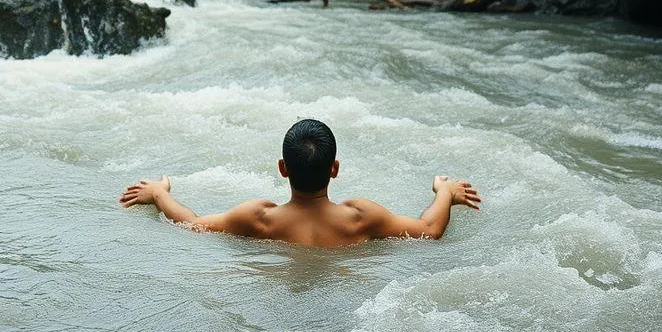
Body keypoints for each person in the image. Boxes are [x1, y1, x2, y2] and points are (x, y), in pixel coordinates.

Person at [118, 119, 481, 247]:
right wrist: (445, 192)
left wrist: (159, 193)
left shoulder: (258, 218)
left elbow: (191, 224)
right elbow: (430, 230)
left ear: (282, 168)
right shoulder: (361, 217)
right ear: (334, 169)